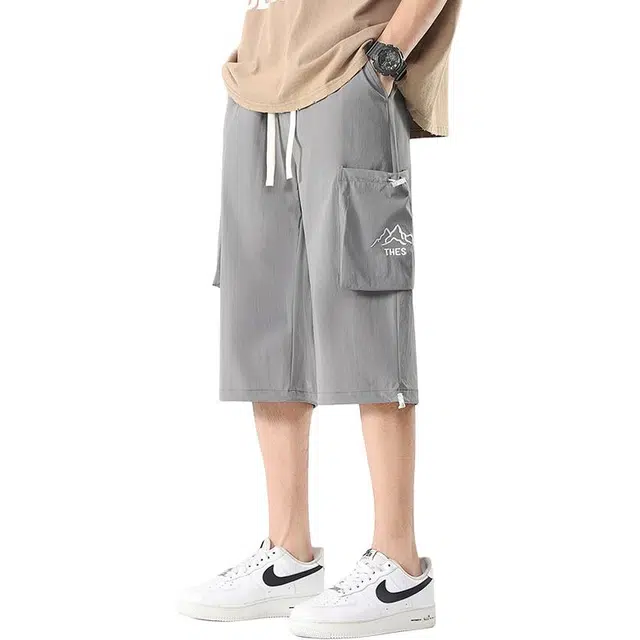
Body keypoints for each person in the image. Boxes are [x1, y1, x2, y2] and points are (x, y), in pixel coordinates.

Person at [179, 0, 461, 637]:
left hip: (347, 73)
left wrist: (387, 58)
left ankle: (399, 565)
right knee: (263, 319)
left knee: (366, 306)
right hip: (256, 87)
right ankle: (288, 555)